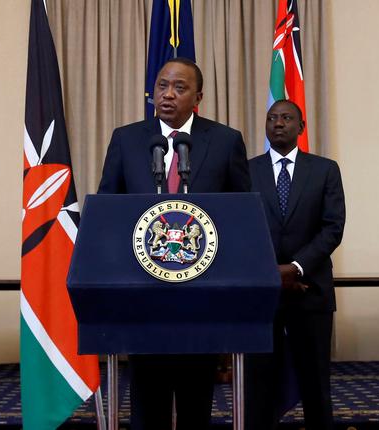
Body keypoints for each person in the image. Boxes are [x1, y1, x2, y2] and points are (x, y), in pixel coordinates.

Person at [97, 57, 250, 430]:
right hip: (142, 295)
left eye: (179, 88)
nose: (168, 95)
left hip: (203, 297)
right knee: (147, 405)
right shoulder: (127, 138)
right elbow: (108, 208)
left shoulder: (226, 141)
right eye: (162, 86)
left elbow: (242, 215)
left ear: (198, 96)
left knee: (196, 402)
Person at [245, 99, 345, 430]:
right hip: (261, 293)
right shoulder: (246, 171)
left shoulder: (325, 169)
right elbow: (239, 229)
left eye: (287, 118)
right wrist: (271, 273)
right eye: (271, 118)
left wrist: (297, 268)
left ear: (301, 127)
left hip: (310, 290)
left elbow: (333, 227)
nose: (277, 123)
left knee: (316, 383)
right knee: (259, 384)